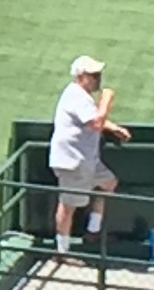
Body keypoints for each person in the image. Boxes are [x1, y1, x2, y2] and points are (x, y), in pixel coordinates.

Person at [49, 54, 128, 253]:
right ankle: (62, 251)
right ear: (80, 76)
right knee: (68, 206)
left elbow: (92, 119)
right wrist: (107, 100)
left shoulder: (81, 96)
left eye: (98, 74)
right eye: (93, 75)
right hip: (73, 160)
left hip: (87, 159)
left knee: (108, 183)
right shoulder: (77, 95)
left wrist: (113, 128)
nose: (97, 79)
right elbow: (96, 122)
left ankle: (93, 231)